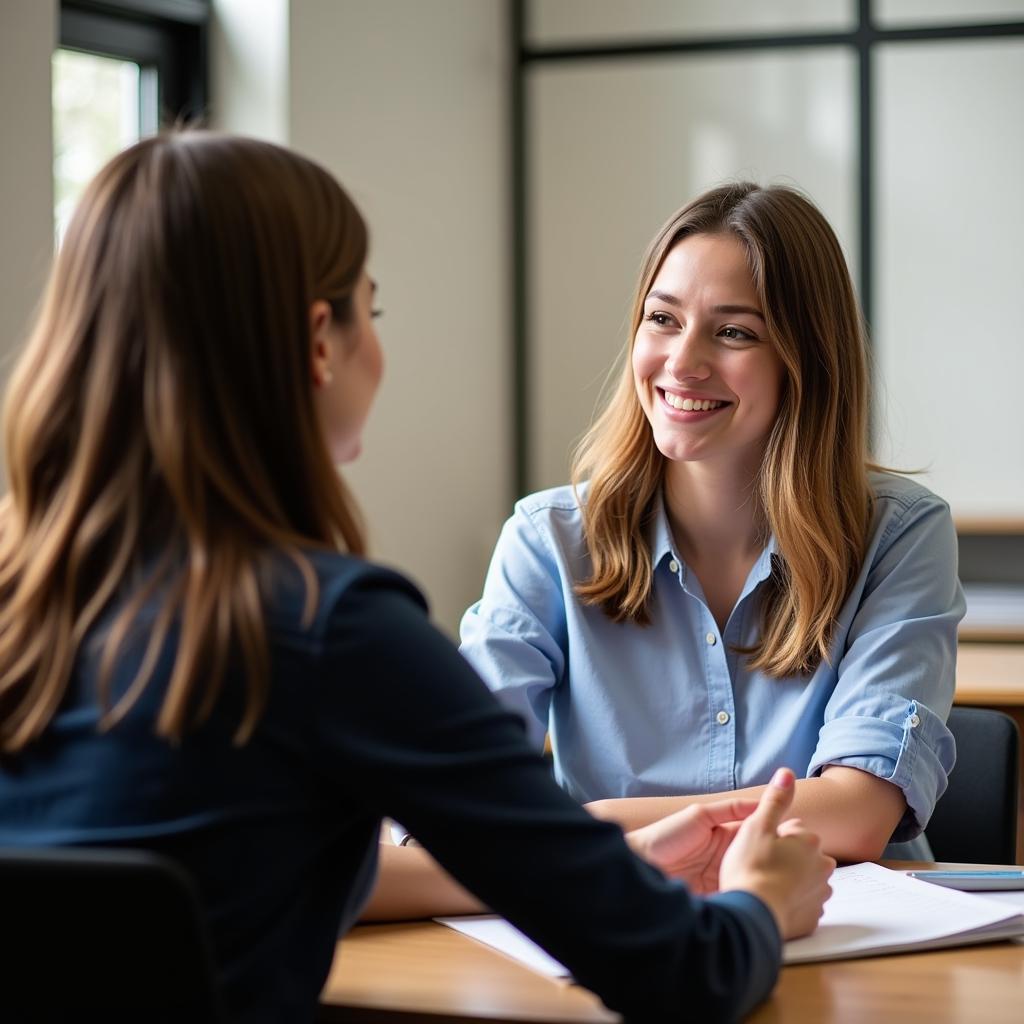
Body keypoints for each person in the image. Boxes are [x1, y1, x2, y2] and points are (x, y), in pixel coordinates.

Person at [0, 134, 833, 1023]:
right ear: (323, 341)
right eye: (374, 308)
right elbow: (684, 975)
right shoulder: (331, 633)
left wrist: (597, 850)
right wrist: (759, 904)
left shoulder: (27, 606)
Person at [458, 182, 965, 864]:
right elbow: (455, 782)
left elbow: (855, 814)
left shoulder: (898, 535)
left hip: (851, 933)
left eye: (734, 332)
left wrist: (593, 825)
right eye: (662, 319)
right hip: (622, 931)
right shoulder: (548, 538)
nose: (683, 363)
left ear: (805, 360)